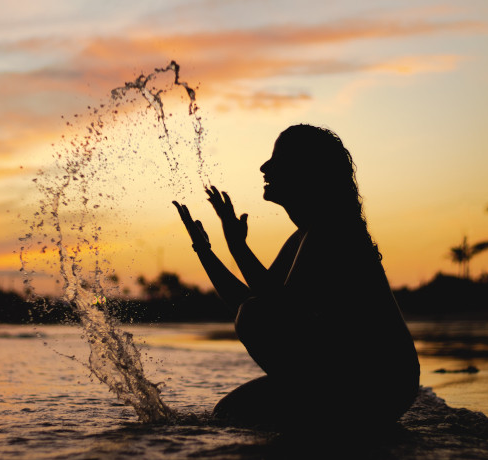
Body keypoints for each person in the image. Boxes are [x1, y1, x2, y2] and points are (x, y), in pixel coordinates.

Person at [173, 124, 419, 431]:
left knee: (254, 317)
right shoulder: (305, 234)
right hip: (364, 382)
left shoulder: (332, 228)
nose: (264, 167)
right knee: (228, 412)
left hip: (378, 387)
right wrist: (205, 250)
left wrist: (236, 245)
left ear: (306, 171)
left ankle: (326, 424)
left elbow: (273, 310)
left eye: (277, 159)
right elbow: (246, 301)